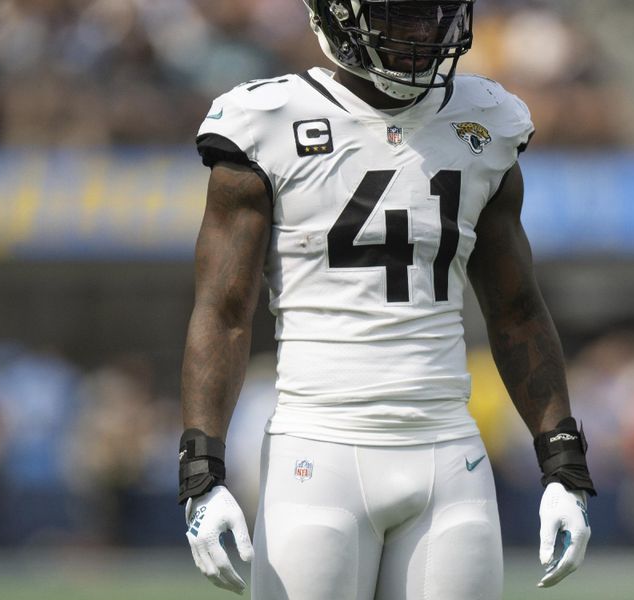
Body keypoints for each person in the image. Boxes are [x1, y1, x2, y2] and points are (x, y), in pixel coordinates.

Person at [178, 1, 596, 598]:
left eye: (435, 14)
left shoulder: (484, 120)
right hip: (318, 449)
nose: (423, 33)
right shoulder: (265, 120)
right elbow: (223, 312)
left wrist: (561, 458)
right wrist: (201, 467)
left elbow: (517, 309)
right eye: (399, 15)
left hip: (451, 453)